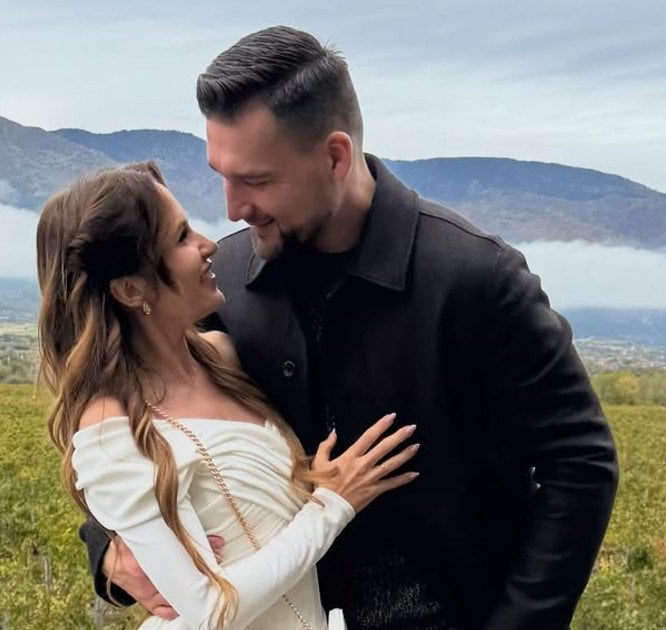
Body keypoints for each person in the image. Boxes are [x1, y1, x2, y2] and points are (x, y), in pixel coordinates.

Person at [83, 26, 619, 630]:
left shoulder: (476, 278)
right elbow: (133, 422)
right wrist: (110, 549)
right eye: (221, 176)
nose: (232, 207)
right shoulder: (222, 282)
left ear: (335, 156)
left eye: (256, 180)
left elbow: (580, 464)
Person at [38, 162, 421, 629]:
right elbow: (207, 612)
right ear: (132, 289)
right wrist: (332, 506)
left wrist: (308, 485)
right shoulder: (109, 423)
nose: (209, 244)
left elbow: (250, 510)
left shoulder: (223, 357)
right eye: (181, 237)